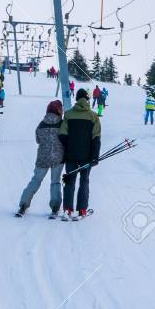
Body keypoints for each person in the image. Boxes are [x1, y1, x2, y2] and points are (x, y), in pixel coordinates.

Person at [16, 100, 65, 218]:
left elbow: (38, 140)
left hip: (43, 157)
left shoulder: (42, 124)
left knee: (36, 180)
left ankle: (23, 205)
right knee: (55, 181)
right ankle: (55, 207)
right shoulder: (62, 124)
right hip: (58, 157)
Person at [58, 88, 101, 220]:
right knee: (84, 181)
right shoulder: (93, 116)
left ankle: (67, 210)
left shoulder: (68, 114)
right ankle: (82, 210)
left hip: (70, 155)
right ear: (87, 99)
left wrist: (68, 149)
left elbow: (62, 135)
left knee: (69, 180)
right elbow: (96, 138)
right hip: (87, 157)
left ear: (76, 99)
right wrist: (95, 156)